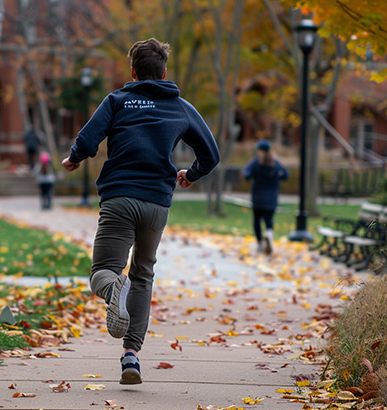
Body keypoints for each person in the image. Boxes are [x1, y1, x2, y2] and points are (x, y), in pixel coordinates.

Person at [61, 38, 220, 385]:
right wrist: (189, 175)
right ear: (164, 73)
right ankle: (131, 356)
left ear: (133, 72)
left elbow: (89, 139)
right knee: (144, 274)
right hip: (156, 203)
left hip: (119, 198)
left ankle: (113, 290)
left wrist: (74, 158)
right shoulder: (180, 106)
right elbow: (211, 155)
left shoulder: (118, 100)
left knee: (102, 272)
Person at [242, 140, 289, 254]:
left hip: (258, 197)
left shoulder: (255, 163)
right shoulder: (276, 163)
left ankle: (260, 243)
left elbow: (246, 174)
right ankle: (269, 236)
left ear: (260, 151)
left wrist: (251, 176)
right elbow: (285, 175)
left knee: (257, 220)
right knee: (269, 219)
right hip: (272, 198)